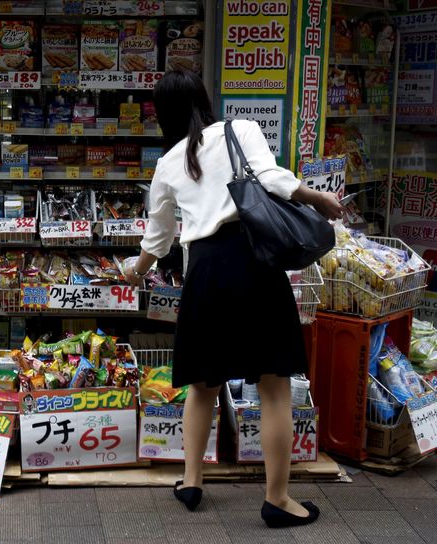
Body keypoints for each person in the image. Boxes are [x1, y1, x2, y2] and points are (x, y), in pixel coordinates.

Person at [125, 67, 343, 528]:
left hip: (204, 273)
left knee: (201, 385)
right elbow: (271, 178)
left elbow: (158, 241)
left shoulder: (167, 164)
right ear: (203, 99)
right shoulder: (239, 130)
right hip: (254, 262)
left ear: (163, 115)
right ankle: (277, 499)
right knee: (273, 383)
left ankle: (191, 482)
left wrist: (133, 273)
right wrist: (317, 199)